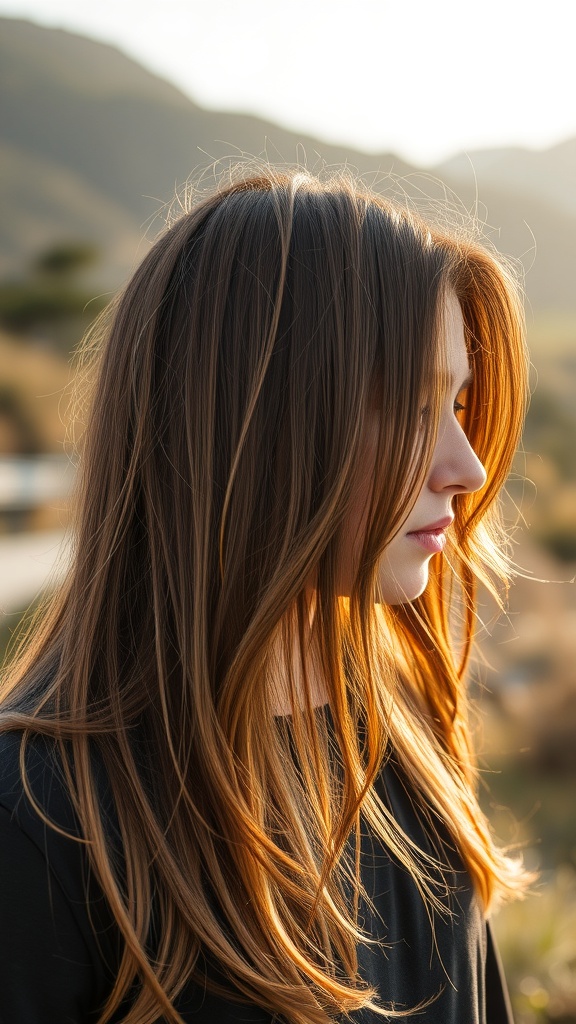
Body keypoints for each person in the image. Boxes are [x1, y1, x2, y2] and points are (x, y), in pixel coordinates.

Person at [0, 167, 530, 1023]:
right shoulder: (41, 829)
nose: (466, 467)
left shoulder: (408, 743)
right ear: (257, 425)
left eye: (459, 403)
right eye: (409, 403)